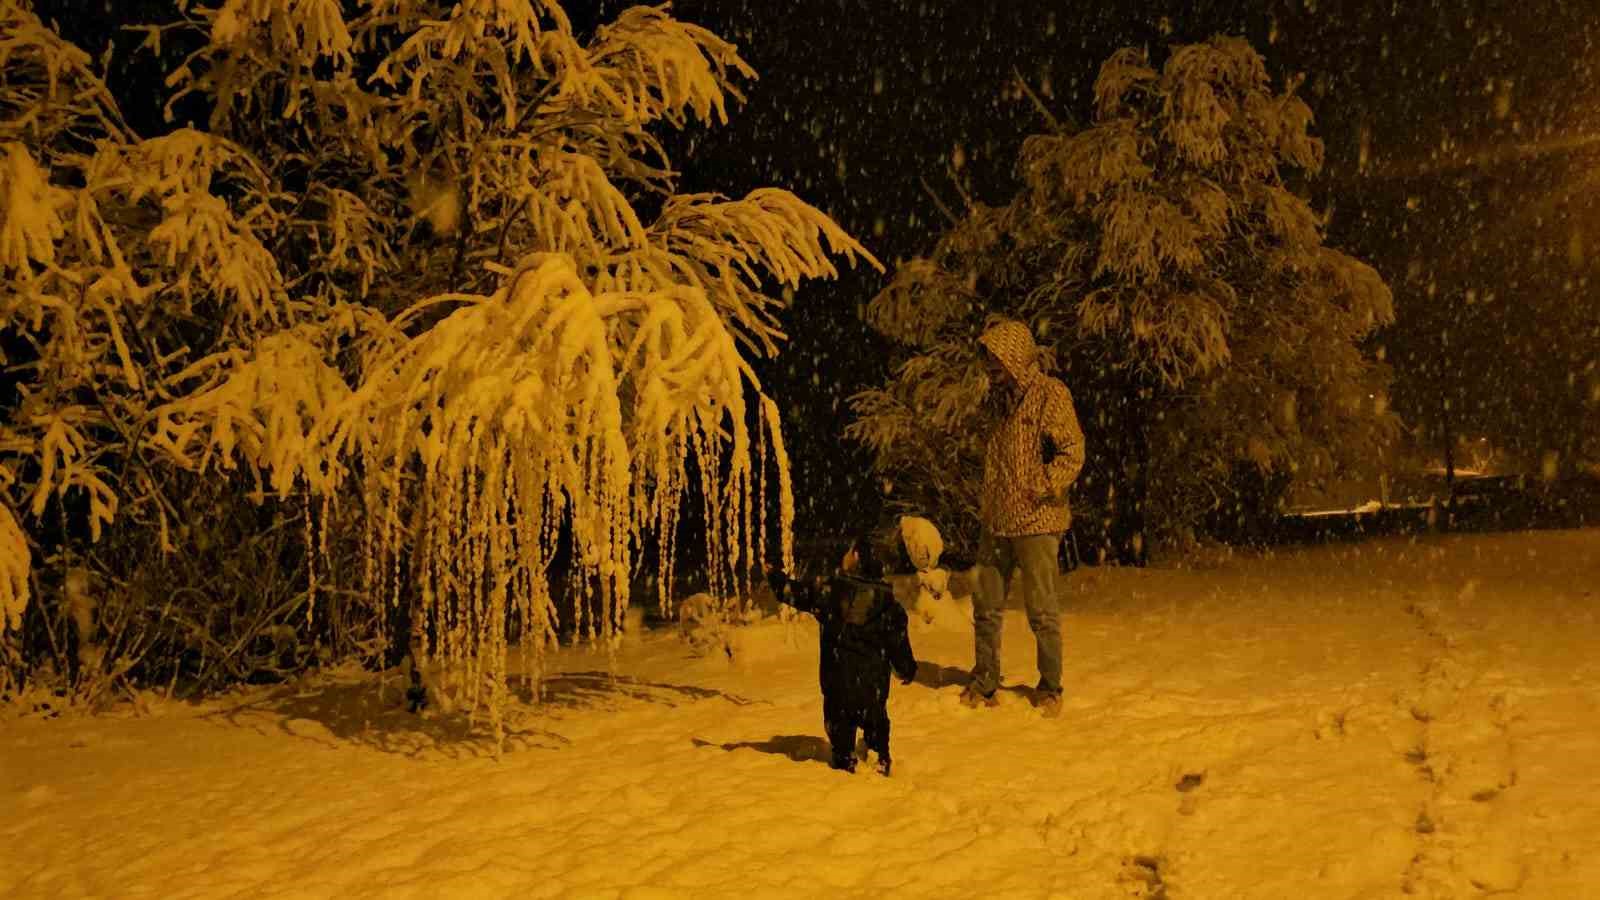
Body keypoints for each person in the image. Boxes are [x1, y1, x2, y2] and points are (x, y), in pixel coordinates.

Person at [961, 319, 1085, 718]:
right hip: (996, 521)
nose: (990, 369)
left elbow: (1072, 449)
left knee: (1042, 611)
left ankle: (1050, 687)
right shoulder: (996, 400)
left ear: (1013, 356)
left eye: (995, 360)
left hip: (1037, 522)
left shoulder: (1050, 394)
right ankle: (985, 680)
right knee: (986, 606)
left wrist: (1045, 484)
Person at [767, 537, 917, 774]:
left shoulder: (831, 592)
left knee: (842, 742)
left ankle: (845, 761)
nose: (844, 555)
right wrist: (907, 670)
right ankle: (880, 761)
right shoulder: (890, 606)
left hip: (838, 689)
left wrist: (775, 575)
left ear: (857, 557)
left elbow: (793, 592)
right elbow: (898, 647)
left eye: (849, 551)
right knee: (877, 730)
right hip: (872, 691)